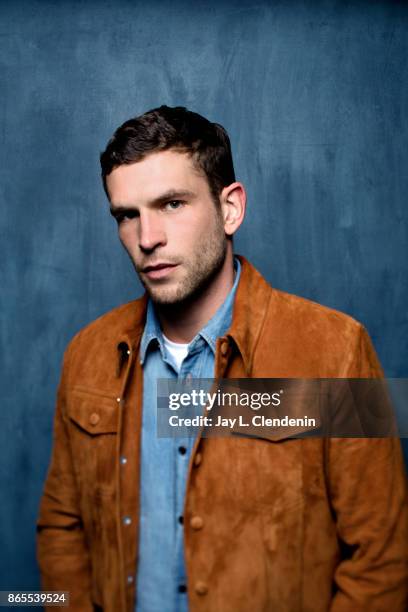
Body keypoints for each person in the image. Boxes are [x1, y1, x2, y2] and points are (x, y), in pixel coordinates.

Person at [37, 105, 408, 612]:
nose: (148, 239)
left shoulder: (334, 349)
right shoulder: (86, 355)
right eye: (127, 214)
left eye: (171, 204)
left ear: (230, 208)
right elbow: (61, 526)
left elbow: (382, 558)